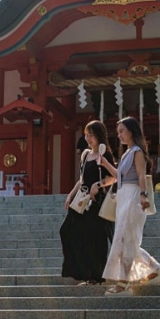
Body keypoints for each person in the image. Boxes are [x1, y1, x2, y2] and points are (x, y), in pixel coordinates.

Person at [97, 116, 160, 296]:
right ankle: (154, 270)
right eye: (118, 132)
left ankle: (124, 283)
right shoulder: (127, 153)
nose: (119, 135)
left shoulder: (137, 152)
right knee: (126, 240)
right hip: (124, 197)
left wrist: (143, 195)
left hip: (133, 197)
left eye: (122, 131)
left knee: (125, 239)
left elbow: (141, 175)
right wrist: (104, 163)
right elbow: (118, 176)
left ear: (131, 131)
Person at [60, 120, 117, 285]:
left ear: (99, 135)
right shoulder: (85, 155)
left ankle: (95, 276)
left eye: (91, 135)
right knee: (67, 231)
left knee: (95, 238)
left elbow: (113, 177)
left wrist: (98, 185)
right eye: (86, 135)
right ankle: (80, 271)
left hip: (96, 201)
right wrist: (70, 195)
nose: (88, 138)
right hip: (81, 200)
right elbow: (81, 179)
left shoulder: (104, 154)